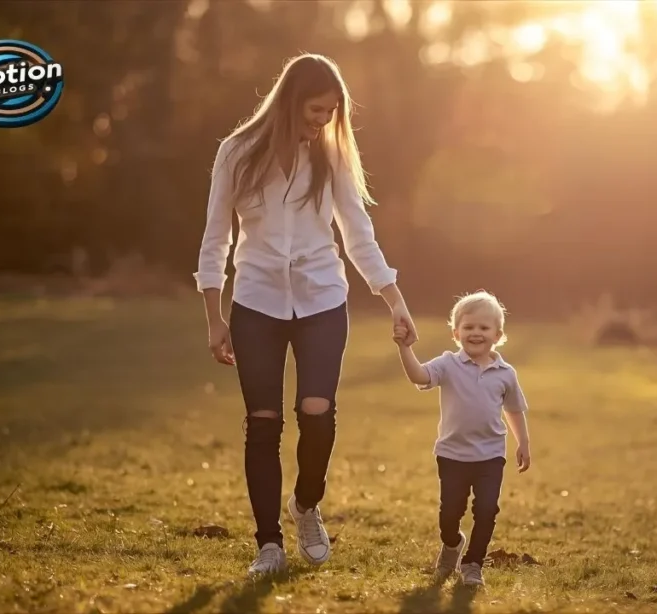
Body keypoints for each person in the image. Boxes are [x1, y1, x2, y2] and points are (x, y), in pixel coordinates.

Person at [193, 53, 419, 577]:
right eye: (317, 109)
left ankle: (305, 504)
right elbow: (215, 237)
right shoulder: (236, 153)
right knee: (263, 421)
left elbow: (358, 234)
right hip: (255, 303)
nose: (324, 119)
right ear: (291, 100)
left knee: (317, 414)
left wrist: (395, 301)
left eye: (331, 111)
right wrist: (214, 315)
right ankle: (268, 544)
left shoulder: (332, 158)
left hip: (321, 298)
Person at [392, 290, 531, 587]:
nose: (476, 333)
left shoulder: (506, 373)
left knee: (486, 510)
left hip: (491, 455)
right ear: (456, 333)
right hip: (452, 454)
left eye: (483, 328)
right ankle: (453, 544)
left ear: (498, 334)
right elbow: (418, 376)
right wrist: (405, 349)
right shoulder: (447, 365)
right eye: (468, 327)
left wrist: (523, 443)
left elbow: (515, 410)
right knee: (449, 515)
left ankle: (472, 564)